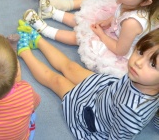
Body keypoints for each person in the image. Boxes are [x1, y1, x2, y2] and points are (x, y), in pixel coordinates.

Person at [16, 21, 159, 139]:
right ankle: (38, 40)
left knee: (57, 81)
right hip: (105, 91)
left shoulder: (130, 112)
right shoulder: (142, 77)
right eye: (140, 52)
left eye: (153, 64)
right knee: (71, 67)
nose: (138, 63)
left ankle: (24, 52)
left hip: (93, 115)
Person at [24, 0, 159, 77]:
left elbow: (120, 50)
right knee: (84, 20)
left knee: (80, 37)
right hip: (119, 32)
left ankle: (45, 29)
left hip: (121, 50)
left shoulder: (132, 23)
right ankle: (52, 13)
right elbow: (119, 14)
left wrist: (101, 34)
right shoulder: (128, 3)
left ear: (145, 2)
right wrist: (109, 21)